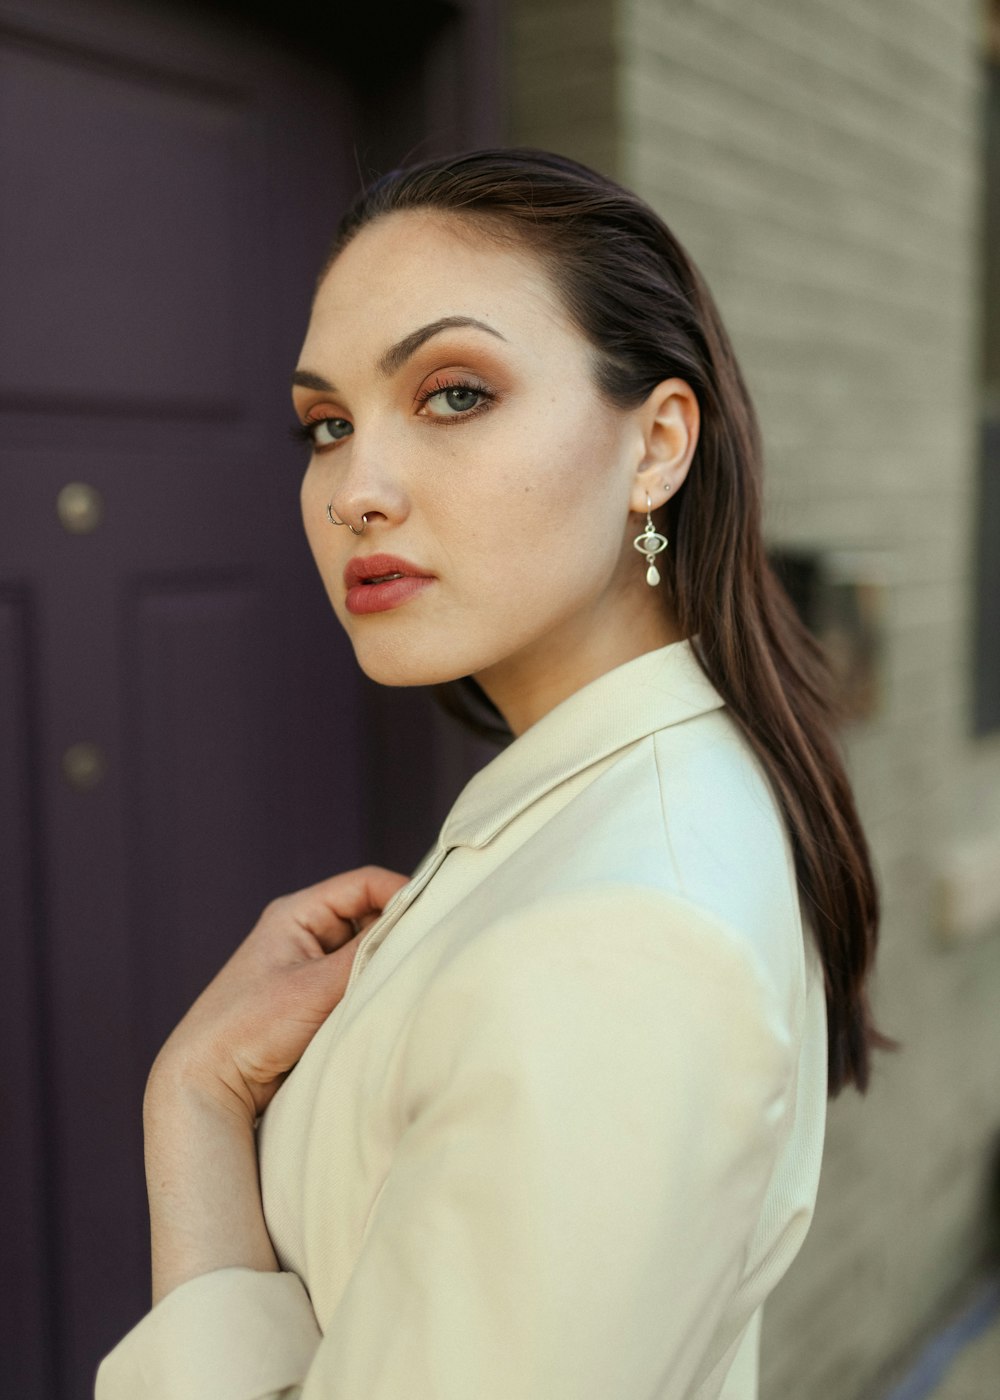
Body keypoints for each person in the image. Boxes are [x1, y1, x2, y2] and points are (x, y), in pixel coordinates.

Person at [95, 147, 896, 1400]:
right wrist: (201, 1093)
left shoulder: (627, 932)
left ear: (657, 445)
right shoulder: (606, 800)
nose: (356, 489)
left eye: (454, 393)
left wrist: (189, 1114)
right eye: (326, 424)